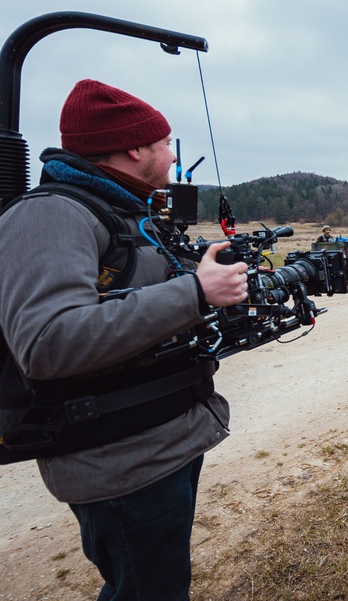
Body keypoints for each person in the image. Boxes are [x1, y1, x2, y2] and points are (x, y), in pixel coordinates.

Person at [0, 79, 250, 599]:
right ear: (135, 148)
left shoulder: (127, 212)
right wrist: (196, 293)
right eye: (164, 143)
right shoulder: (51, 213)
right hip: (120, 465)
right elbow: (48, 340)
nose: (170, 153)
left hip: (160, 442)